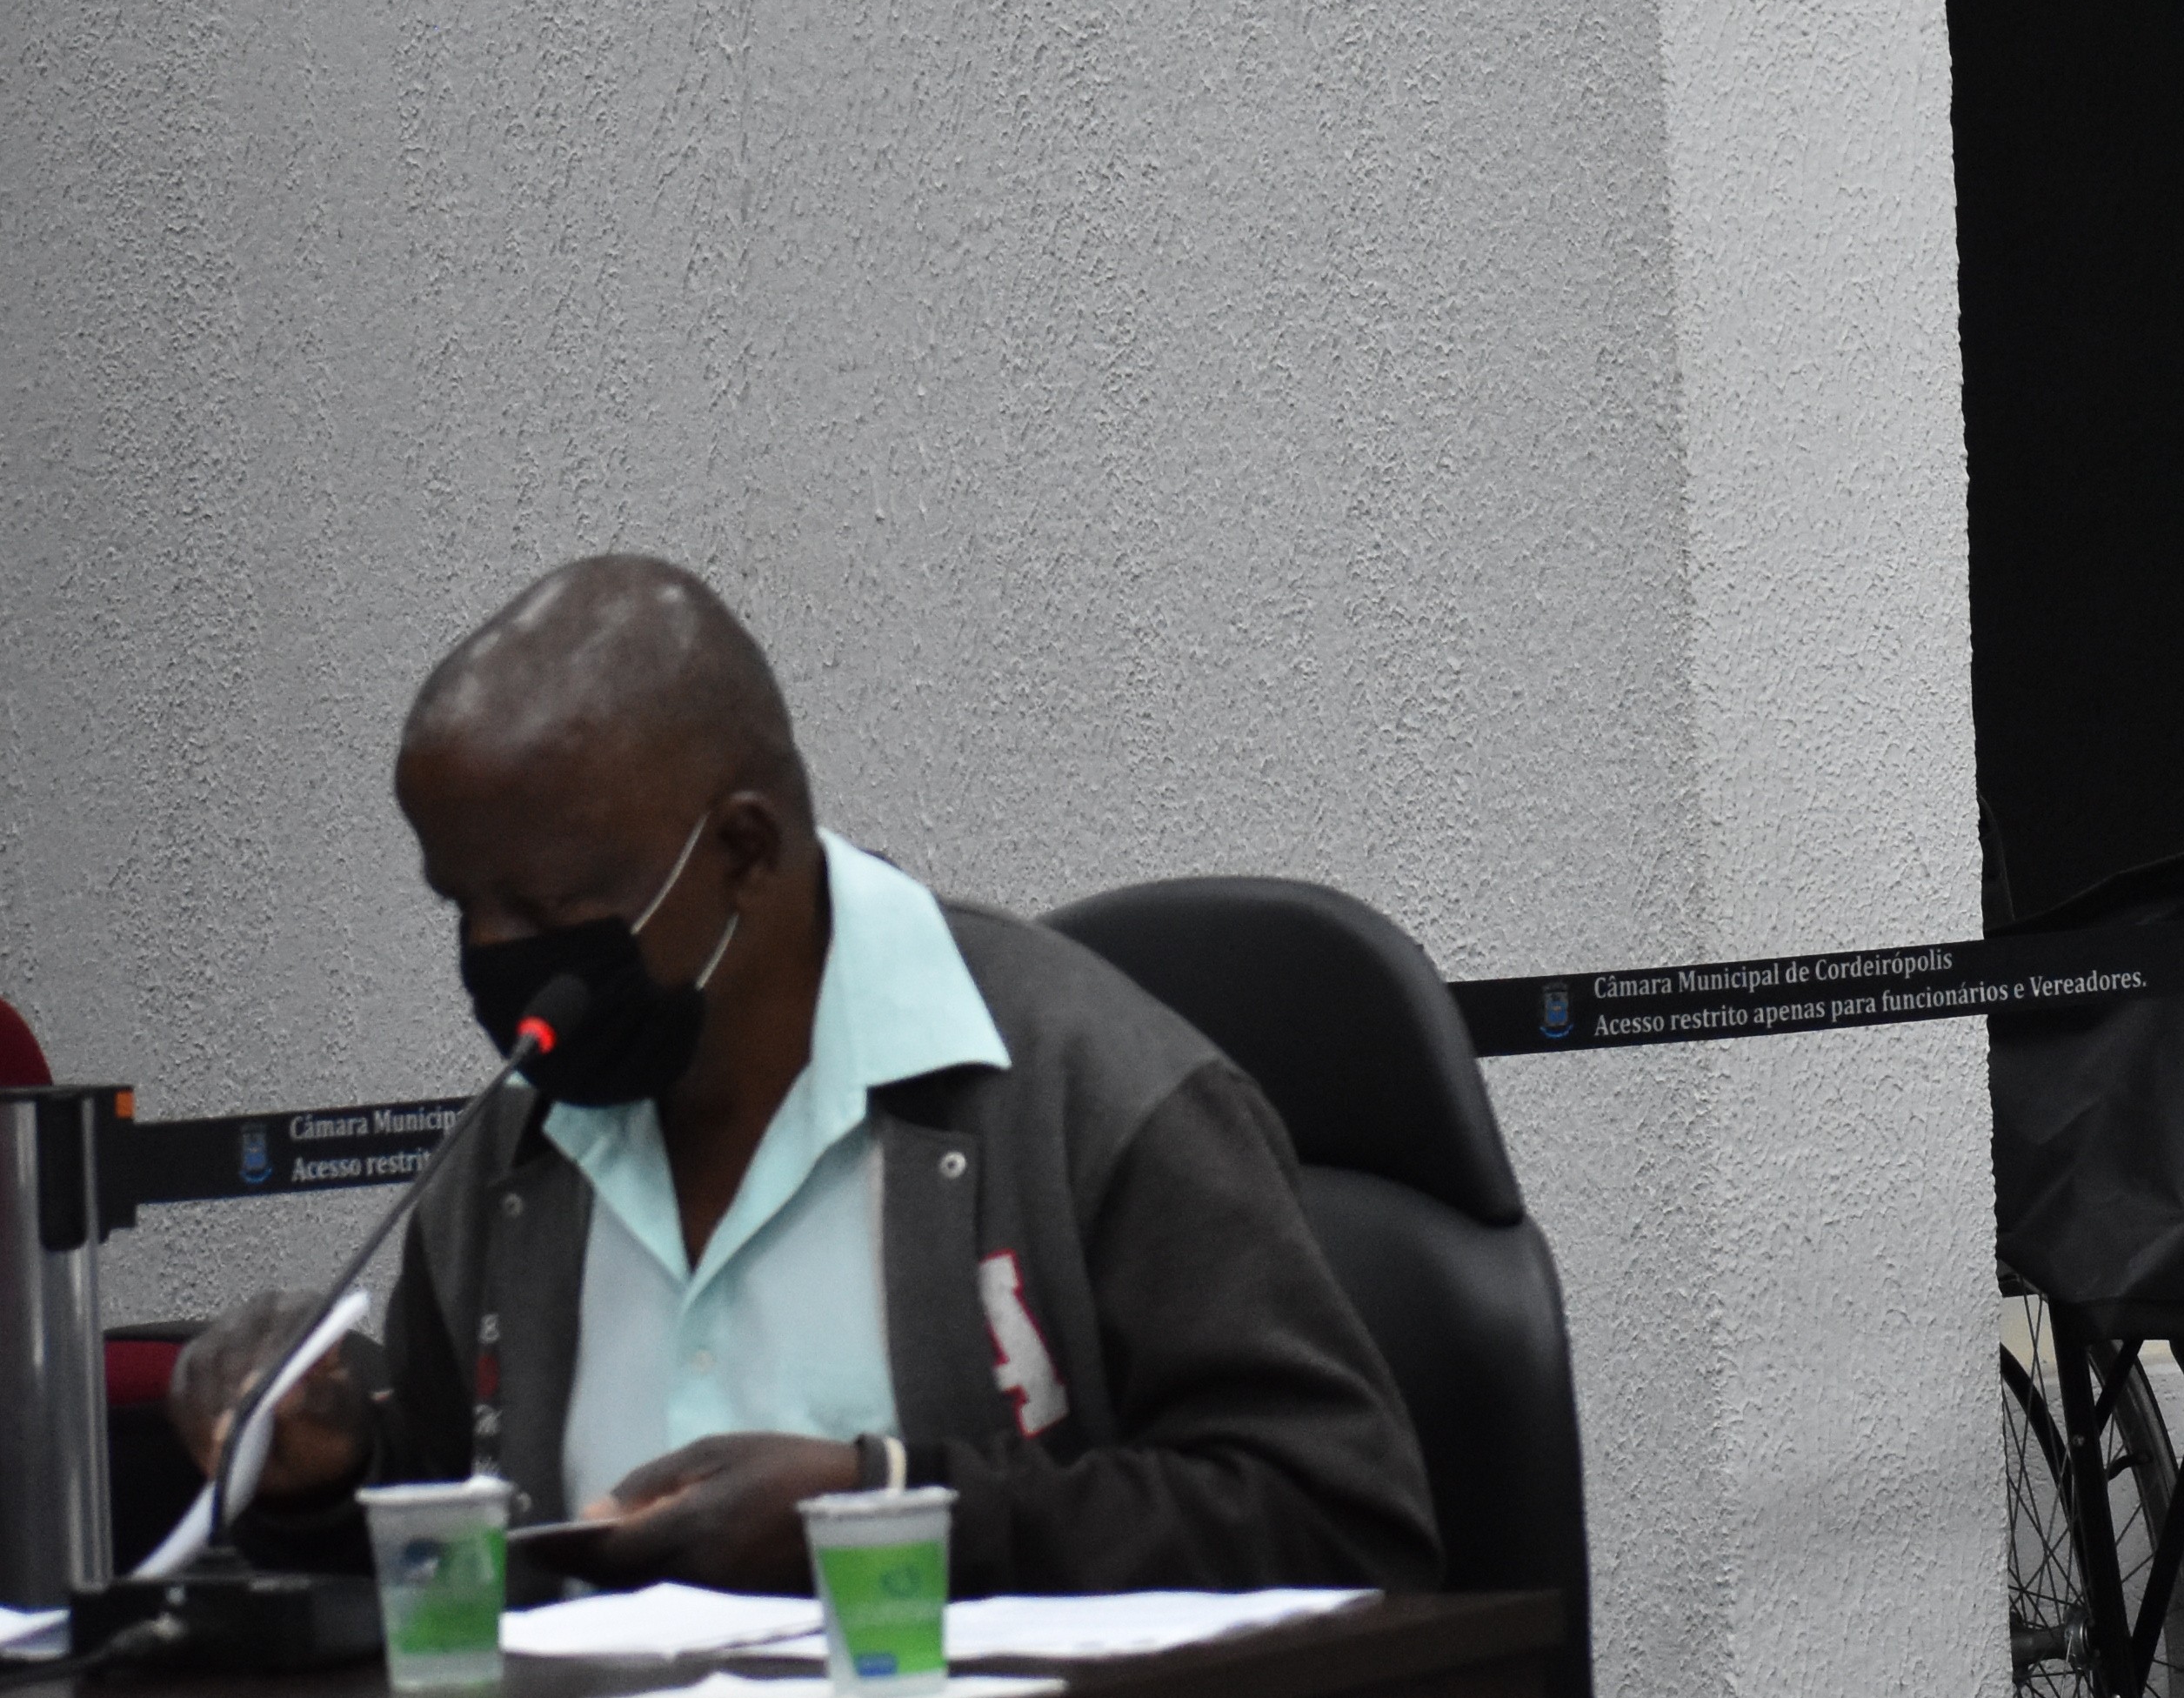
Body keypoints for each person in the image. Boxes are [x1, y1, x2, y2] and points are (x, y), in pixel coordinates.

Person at [170, 556, 1437, 1594]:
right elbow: (451, 1565)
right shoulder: (512, 1160)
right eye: (460, 904)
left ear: (743, 852)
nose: (495, 957)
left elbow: (1343, 1523)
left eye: (546, 906)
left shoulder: (1090, 1095)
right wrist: (325, 1473)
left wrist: (888, 1511)